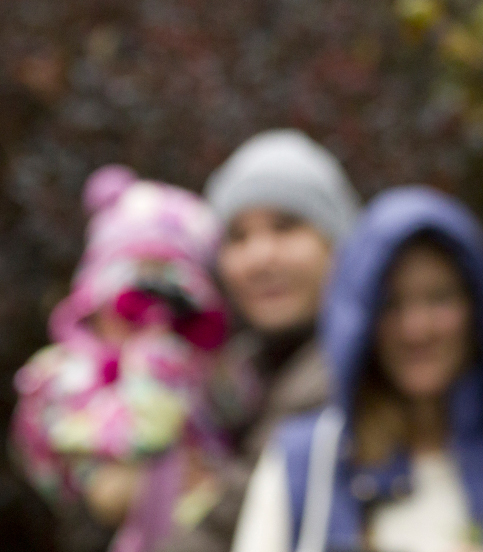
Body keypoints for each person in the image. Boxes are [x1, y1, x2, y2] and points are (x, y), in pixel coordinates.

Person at [231, 186, 483, 552]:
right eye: (392, 305)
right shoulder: (304, 467)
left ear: (476, 308)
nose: (416, 329)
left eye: (439, 298)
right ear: (361, 321)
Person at [155, 130, 362, 552]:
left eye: (285, 227)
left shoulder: (352, 370)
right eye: (238, 237)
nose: (259, 257)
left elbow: (227, 521)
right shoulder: (235, 374)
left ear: (339, 244)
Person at [11, 165, 233, 552]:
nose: (153, 317)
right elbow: (121, 456)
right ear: (93, 301)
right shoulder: (64, 374)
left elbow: (237, 421)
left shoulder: (206, 369)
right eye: (135, 302)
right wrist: (154, 363)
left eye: (172, 304)